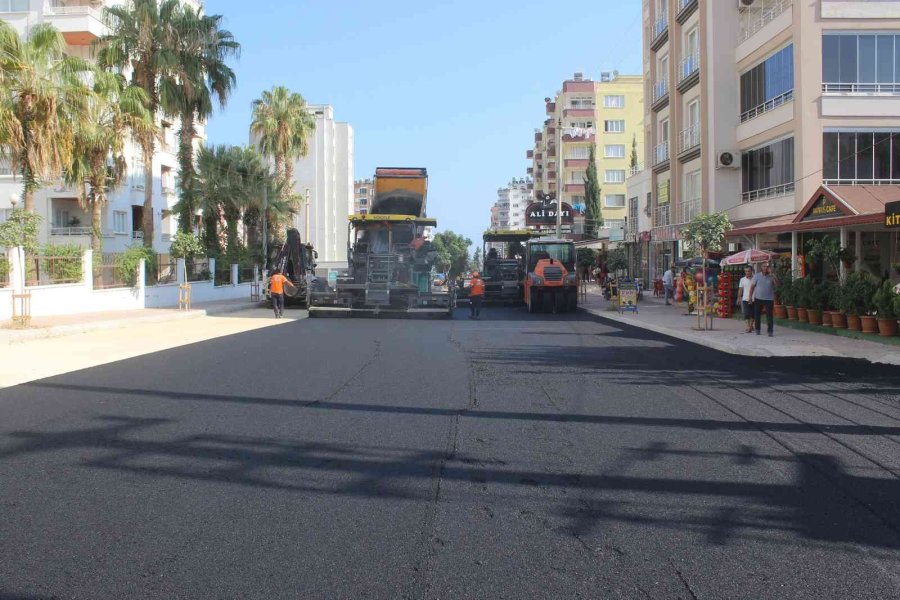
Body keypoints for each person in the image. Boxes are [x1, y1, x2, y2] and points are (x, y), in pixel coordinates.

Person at [750, 262, 778, 337]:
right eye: (764, 266)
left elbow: (777, 285)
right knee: (757, 315)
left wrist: (773, 275)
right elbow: (752, 287)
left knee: (769, 315)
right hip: (758, 298)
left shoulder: (771, 276)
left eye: (767, 266)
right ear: (761, 267)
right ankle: (757, 329)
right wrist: (750, 297)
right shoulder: (757, 276)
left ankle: (770, 331)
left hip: (769, 299)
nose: (766, 268)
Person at [738, 266, 755, 333]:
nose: (747, 272)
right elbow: (740, 289)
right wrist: (738, 298)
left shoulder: (755, 279)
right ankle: (749, 327)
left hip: (754, 299)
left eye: (749, 271)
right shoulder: (742, 279)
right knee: (746, 314)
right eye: (746, 271)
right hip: (745, 299)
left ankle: (750, 326)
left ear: (751, 271)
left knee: (753, 314)